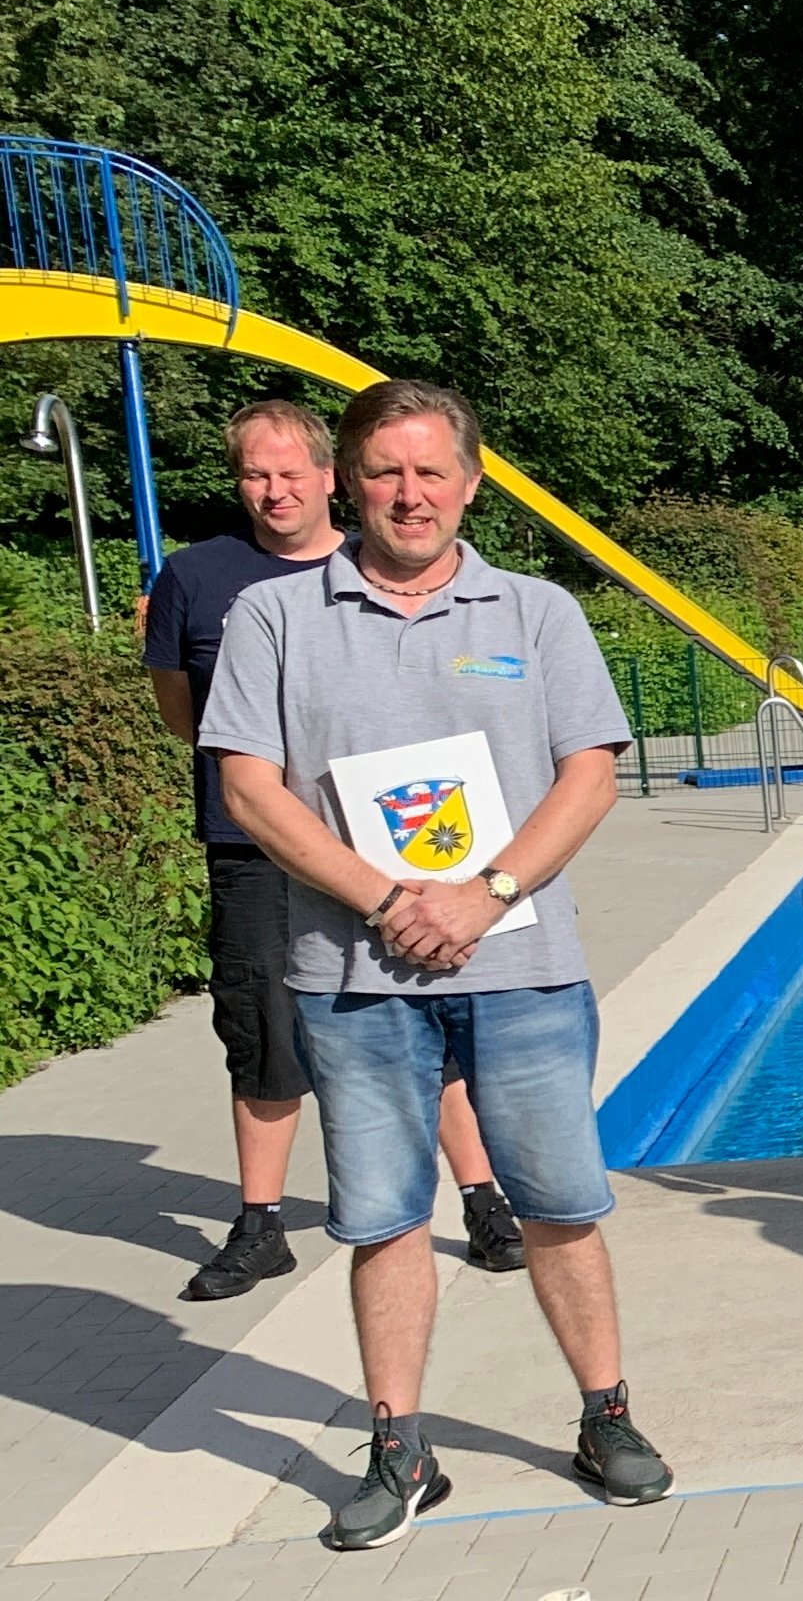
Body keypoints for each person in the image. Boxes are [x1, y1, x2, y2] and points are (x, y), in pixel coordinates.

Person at [198, 380, 666, 1547]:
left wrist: (485, 894)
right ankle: (402, 1447)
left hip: (521, 967)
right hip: (352, 978)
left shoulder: (536, 611)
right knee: (382, 1218)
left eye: (432, 471)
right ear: (350, 481)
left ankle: (604, 1415)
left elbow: (589, 776)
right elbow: (251, 787)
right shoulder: (278, 618)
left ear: (470, 480)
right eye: (386, 472)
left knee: (560, 1206)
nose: (410, 494)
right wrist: (392, 898)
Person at [147, 399, 522, 1301]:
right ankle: (262, 1222)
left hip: (394, 843)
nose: (273, 492)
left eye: (289, 473)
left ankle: (480, 1198)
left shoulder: (389, 566)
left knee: (433, 1014)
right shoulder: (198, 579)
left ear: (330, 477)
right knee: (262, 1029)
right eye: (254, 475)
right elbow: (181, 712)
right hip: (256, 847)